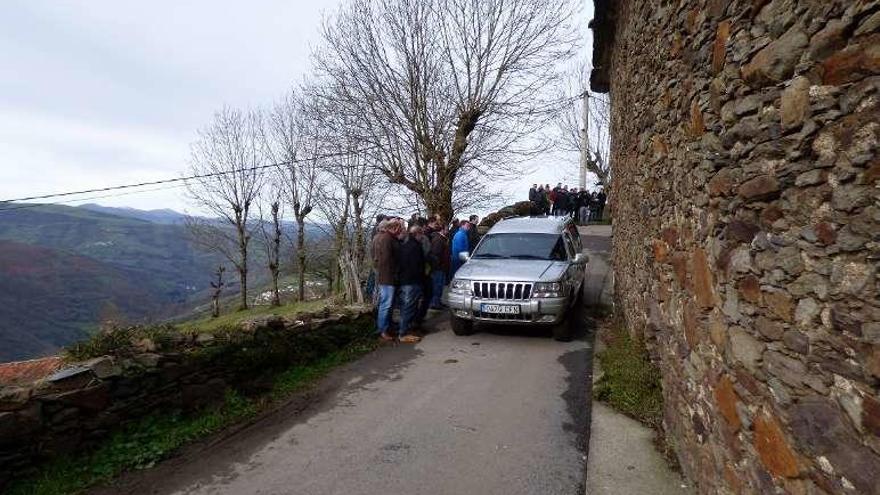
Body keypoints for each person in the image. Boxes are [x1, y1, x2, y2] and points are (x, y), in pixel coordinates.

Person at [393, 225, 424, 343]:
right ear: (418, 234)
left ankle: (405, 329)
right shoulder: (415, 247)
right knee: (408, 307)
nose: (422, 237)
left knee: (406, 307)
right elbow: (417, 266)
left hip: (403, 280)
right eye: (421, 234)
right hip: (411, 281)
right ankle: (403, 333)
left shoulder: (404, 246)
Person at [372, 218, 401, 341]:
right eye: (399, 227)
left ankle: (387, 327)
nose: (400, 230)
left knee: (388, 303)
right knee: (386, 304)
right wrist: (395, 272)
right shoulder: (386, 239)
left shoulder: (387, 238)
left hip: (388, 276)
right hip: (387, 277)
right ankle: (382, 330)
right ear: (393, 228)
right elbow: (385, 260)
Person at [429, 226, 450, 309]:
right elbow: (435, 254)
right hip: (439, 268)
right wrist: (439, 264)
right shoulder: (438, 240)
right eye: (446, 229)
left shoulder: (442, 239)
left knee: (440, 286)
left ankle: (438, 302)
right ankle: (434, 303)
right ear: (442, 230)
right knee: (437, 286)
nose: (448, 231)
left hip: (442, 267)